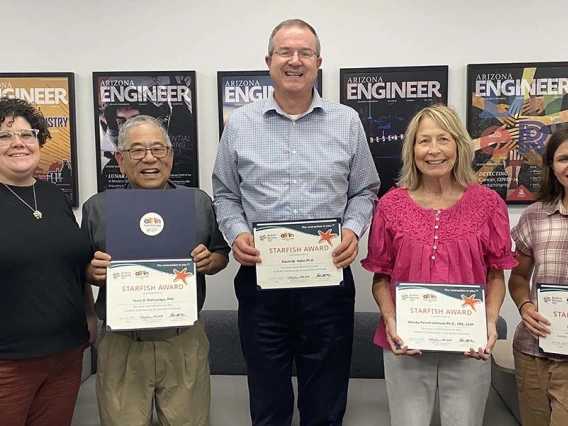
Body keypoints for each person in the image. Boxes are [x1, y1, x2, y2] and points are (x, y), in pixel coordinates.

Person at [212, 18, 380, 426]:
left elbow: (365, 190)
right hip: (261, 286)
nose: (295, 60)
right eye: (285, 52)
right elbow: (225, 194)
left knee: (324, 403)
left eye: (305, 52)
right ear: (269, 61)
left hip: (327, 285)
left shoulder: (347, 121)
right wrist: (236, 234)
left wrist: (353, 229)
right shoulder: (240, 125)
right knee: (268, 403)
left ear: (318, 62)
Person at [362, 104, 517, 426]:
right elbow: (381, 277)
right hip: (405, 342)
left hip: (468, 344)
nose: (434, 150)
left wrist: (488, 323)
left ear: (458, 146)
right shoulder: (390, 205)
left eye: (443, 139)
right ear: (412, 149)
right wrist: (390, 321)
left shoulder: (489, 204)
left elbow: (495, 274)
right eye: (424, 141)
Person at [82, 115, 229, 426]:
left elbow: (220, 255)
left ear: (171, 156)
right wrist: (90, 272)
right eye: (136, 150)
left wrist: (210, 261)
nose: (149, 158)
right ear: (120, 160)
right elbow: (79, 268)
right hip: (122, 343)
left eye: (157, 149)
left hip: (183, 339)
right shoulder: (97, 209)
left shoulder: (198, 203)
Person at [0, 97, 96, 426]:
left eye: (27, 134)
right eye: (4, 136)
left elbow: (70, 264)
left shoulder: (54, 197)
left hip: (66, 354)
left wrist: (89, 314)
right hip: (8, 362)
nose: (18, 144)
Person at [508, 125, 568, 426]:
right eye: (564, 158)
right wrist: (525, 306)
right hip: (534, 350)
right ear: (552, 166)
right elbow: (518, 278)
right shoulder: (535, 215)